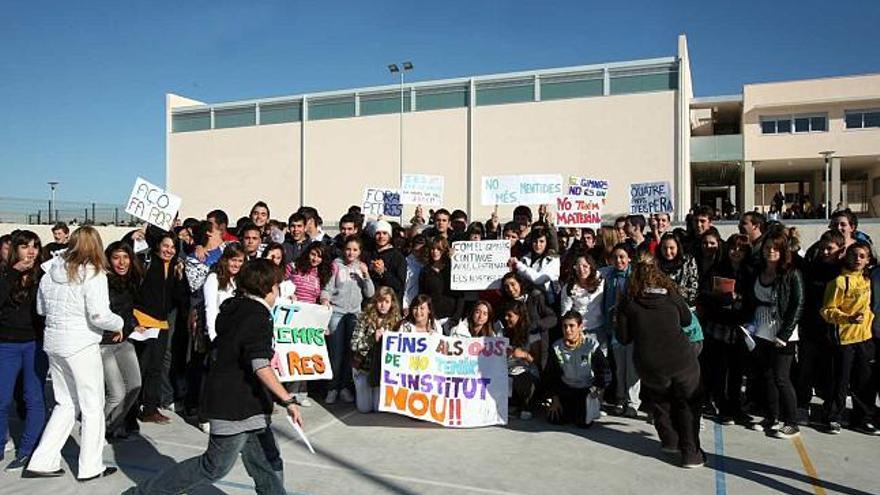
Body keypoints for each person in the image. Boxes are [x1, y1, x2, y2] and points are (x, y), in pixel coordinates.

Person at [124, 259, 303, 495]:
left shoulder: (235, 306)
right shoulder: (258, 315)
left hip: (249, 402)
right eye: (277, 286)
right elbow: (260, 364)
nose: (278, 292)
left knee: (268, 461)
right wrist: (287, 400)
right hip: (233, 404)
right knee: (214, 466)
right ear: (268, 287)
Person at [25, 226, 124, 481]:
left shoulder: (50, 271)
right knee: (92, 405)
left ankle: (43, 460)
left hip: (54, 342)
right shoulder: (93, 273)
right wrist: (120, 323)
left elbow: (41, 308)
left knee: (66, 403)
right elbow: (99, 315)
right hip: (80, 344)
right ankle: (91, 467)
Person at [616, 260, 703, 468]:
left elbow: (623, 338)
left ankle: (670, 440)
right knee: (687, 403)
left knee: (660, 400)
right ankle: (691, 453)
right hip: (680, 359)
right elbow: (686, 320)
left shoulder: (629, 303)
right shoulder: (671, 296)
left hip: (649, 363)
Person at [744, 231, 804, 438]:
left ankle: (792, 422)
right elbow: (752, 300)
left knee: (781, 377)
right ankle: (771, 416)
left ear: (783, 251)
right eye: (768, 247)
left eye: (776, 248)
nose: (771, 251)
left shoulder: (791, 273)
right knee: (767, 376)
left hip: (783, 332)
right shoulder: (758, 271)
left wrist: (785, 333)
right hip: (761, 329)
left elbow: (797, 305)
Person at [0, 231, 47, 471]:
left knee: (34, 398)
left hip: (35, 345)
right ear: (15, 250)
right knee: (2, 399)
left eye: (35, 246)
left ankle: (28, 450)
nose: (31, 251)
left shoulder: (45, 276)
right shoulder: (5, 273)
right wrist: (12, 273)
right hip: (6, 344)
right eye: (25, 246)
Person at [820, 241, 877, 434]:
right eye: (854, 255)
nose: (858, 259)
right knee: (840, 381)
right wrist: (847, 318)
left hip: (865, 338)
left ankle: (862, 418)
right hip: (843, 339)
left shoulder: (867, 280)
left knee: (864, 380)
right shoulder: (839, 282)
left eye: (862, 256)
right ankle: (832, 416)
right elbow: (827, 310)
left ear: (868, 260)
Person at [698, 234, 752, 425]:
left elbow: (754, 298)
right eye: (733, 247)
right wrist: (725, 298)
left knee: (737, 371)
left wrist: (740, 300)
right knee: (720, 370)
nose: (736, 252)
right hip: (719, 325)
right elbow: (704, 293)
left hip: (741, 327)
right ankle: (723, 408)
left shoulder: (750, 271)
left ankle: (736, 407)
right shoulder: (717, 269)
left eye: (740, 248)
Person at [133, 229, 186, 425]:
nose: (169, 250)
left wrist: (180, 277)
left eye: (172, 247)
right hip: (142, 321)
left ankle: (150, 408)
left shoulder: (175, 267)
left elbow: (178, 297)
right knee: (140, 367)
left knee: (155, 368)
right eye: (165, 246)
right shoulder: (145, 261)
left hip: (161, 323)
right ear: (158, 246)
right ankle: (132, 408)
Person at [320, 237, 375, 404]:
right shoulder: (336, 266)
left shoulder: (361, 267)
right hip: (336, 313)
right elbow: (328, 288)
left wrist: (365, 275)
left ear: (360, 252)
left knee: (350, 354)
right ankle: (332, 388)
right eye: (348, 249)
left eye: (355, 250)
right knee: (335, 354)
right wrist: (325, 300)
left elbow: (370, 293)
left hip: (354, 314)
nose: (351, 253)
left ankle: (344, 387)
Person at [101, 241, 143, 442]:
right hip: (105, 343)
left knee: (135, 385)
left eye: (125, 257)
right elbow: (101, 313)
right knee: (116, 393)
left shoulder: (130, 281)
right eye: (116, 257)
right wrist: (118, 325)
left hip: (124, 340)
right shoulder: (103, 282)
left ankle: (112, 426)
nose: (122, 262)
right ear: (108, 260)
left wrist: (133, 324)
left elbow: (127, 310)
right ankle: (98, 428)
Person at [545, 311, 610, 427]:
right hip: (566, 387)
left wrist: (597, 390)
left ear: (580, 327)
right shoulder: (556, 347)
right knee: (554, 419)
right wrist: (555, 399)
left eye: (571, 326)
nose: (568, 330)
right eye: (565, 326)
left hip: (585, 390)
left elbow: (604, 371)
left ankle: (588, 410)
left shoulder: (591, 345)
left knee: (583, 424)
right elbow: (551, 374)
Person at [601, 243, 640, 417]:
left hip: (631, 328)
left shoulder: (634, 276)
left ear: (629, 258)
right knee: (619, 367)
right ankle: (620, 398)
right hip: (614, 327)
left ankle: (633, 402)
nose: (619, 261)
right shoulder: (608, 275)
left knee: (632, 367)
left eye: (622, 257)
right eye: (616, 257)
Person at [350, 287, 402, 413]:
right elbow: (354, 345)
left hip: (382, 371)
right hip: (363, 368)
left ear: (392, 303)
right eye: (380, 301)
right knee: (365, 409)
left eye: (387, 302)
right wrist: (372, 338)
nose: (383, 305)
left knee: (378, 409)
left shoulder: (397, 321)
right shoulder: (364, 318)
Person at [499, 272, 557, 369]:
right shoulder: (505, 304)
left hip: (538, 344)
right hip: (519, 347)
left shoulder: (535, 297)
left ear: (520, 283)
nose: (510, 289)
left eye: (513, 284)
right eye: (506, 286)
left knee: (540, 372)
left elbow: (553, 318)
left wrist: (534, 325)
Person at [498, 300, 538, 420]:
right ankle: (512, 403)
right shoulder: (503, 332)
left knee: (522, 378)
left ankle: (526, 404)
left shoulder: (532, 333)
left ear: (519, 316)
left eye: (510, 315)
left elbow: (538, 360)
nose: (506, 318)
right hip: (508, 370)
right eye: (506, 315)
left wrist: (525, 355)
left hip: (526, 371)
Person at [418, 237, 463, 332]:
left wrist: (456, 318)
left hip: (451, 318)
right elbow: (422, 295)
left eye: (439, 249)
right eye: (432, 249)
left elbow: (460, 295)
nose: (435, 252)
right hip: (433, 319)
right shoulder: (425, 271)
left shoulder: (454, 269)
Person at [560, 254, 605, 347]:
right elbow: (566, 312)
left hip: (599, 327)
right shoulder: (569, 287)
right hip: (580, 331)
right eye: (578, 267)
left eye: (585, 266)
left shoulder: (600, 281)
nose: (582, 270)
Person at [510, 230, 560, 306]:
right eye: (535, 241)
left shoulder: (553, 259)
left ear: (547, 243)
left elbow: (539, 279)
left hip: (547, 303)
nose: (538, 245)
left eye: (541, 241)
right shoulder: (525, 257)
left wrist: (518, 265)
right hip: (526, 301)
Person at [364, 220, 407, 303]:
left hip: (389, 303)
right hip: (370, 302)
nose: (381, 237)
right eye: (378, 233)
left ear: (389, 236)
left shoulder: (398, 257)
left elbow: (399, 285)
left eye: (384, 233)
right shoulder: (367, 254)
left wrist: (383, 272)